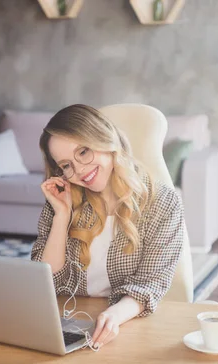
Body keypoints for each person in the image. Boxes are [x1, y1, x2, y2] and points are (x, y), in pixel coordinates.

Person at [31, 104, 185, 350]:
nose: (79, 170)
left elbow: (150, 284)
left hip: (127, 326)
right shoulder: (63, 198)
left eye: (83, 152)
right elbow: (47, 281)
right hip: (66, 325)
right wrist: (62, 215)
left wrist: (114, 315)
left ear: (104, 139)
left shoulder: (162, 202)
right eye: (66, 165)